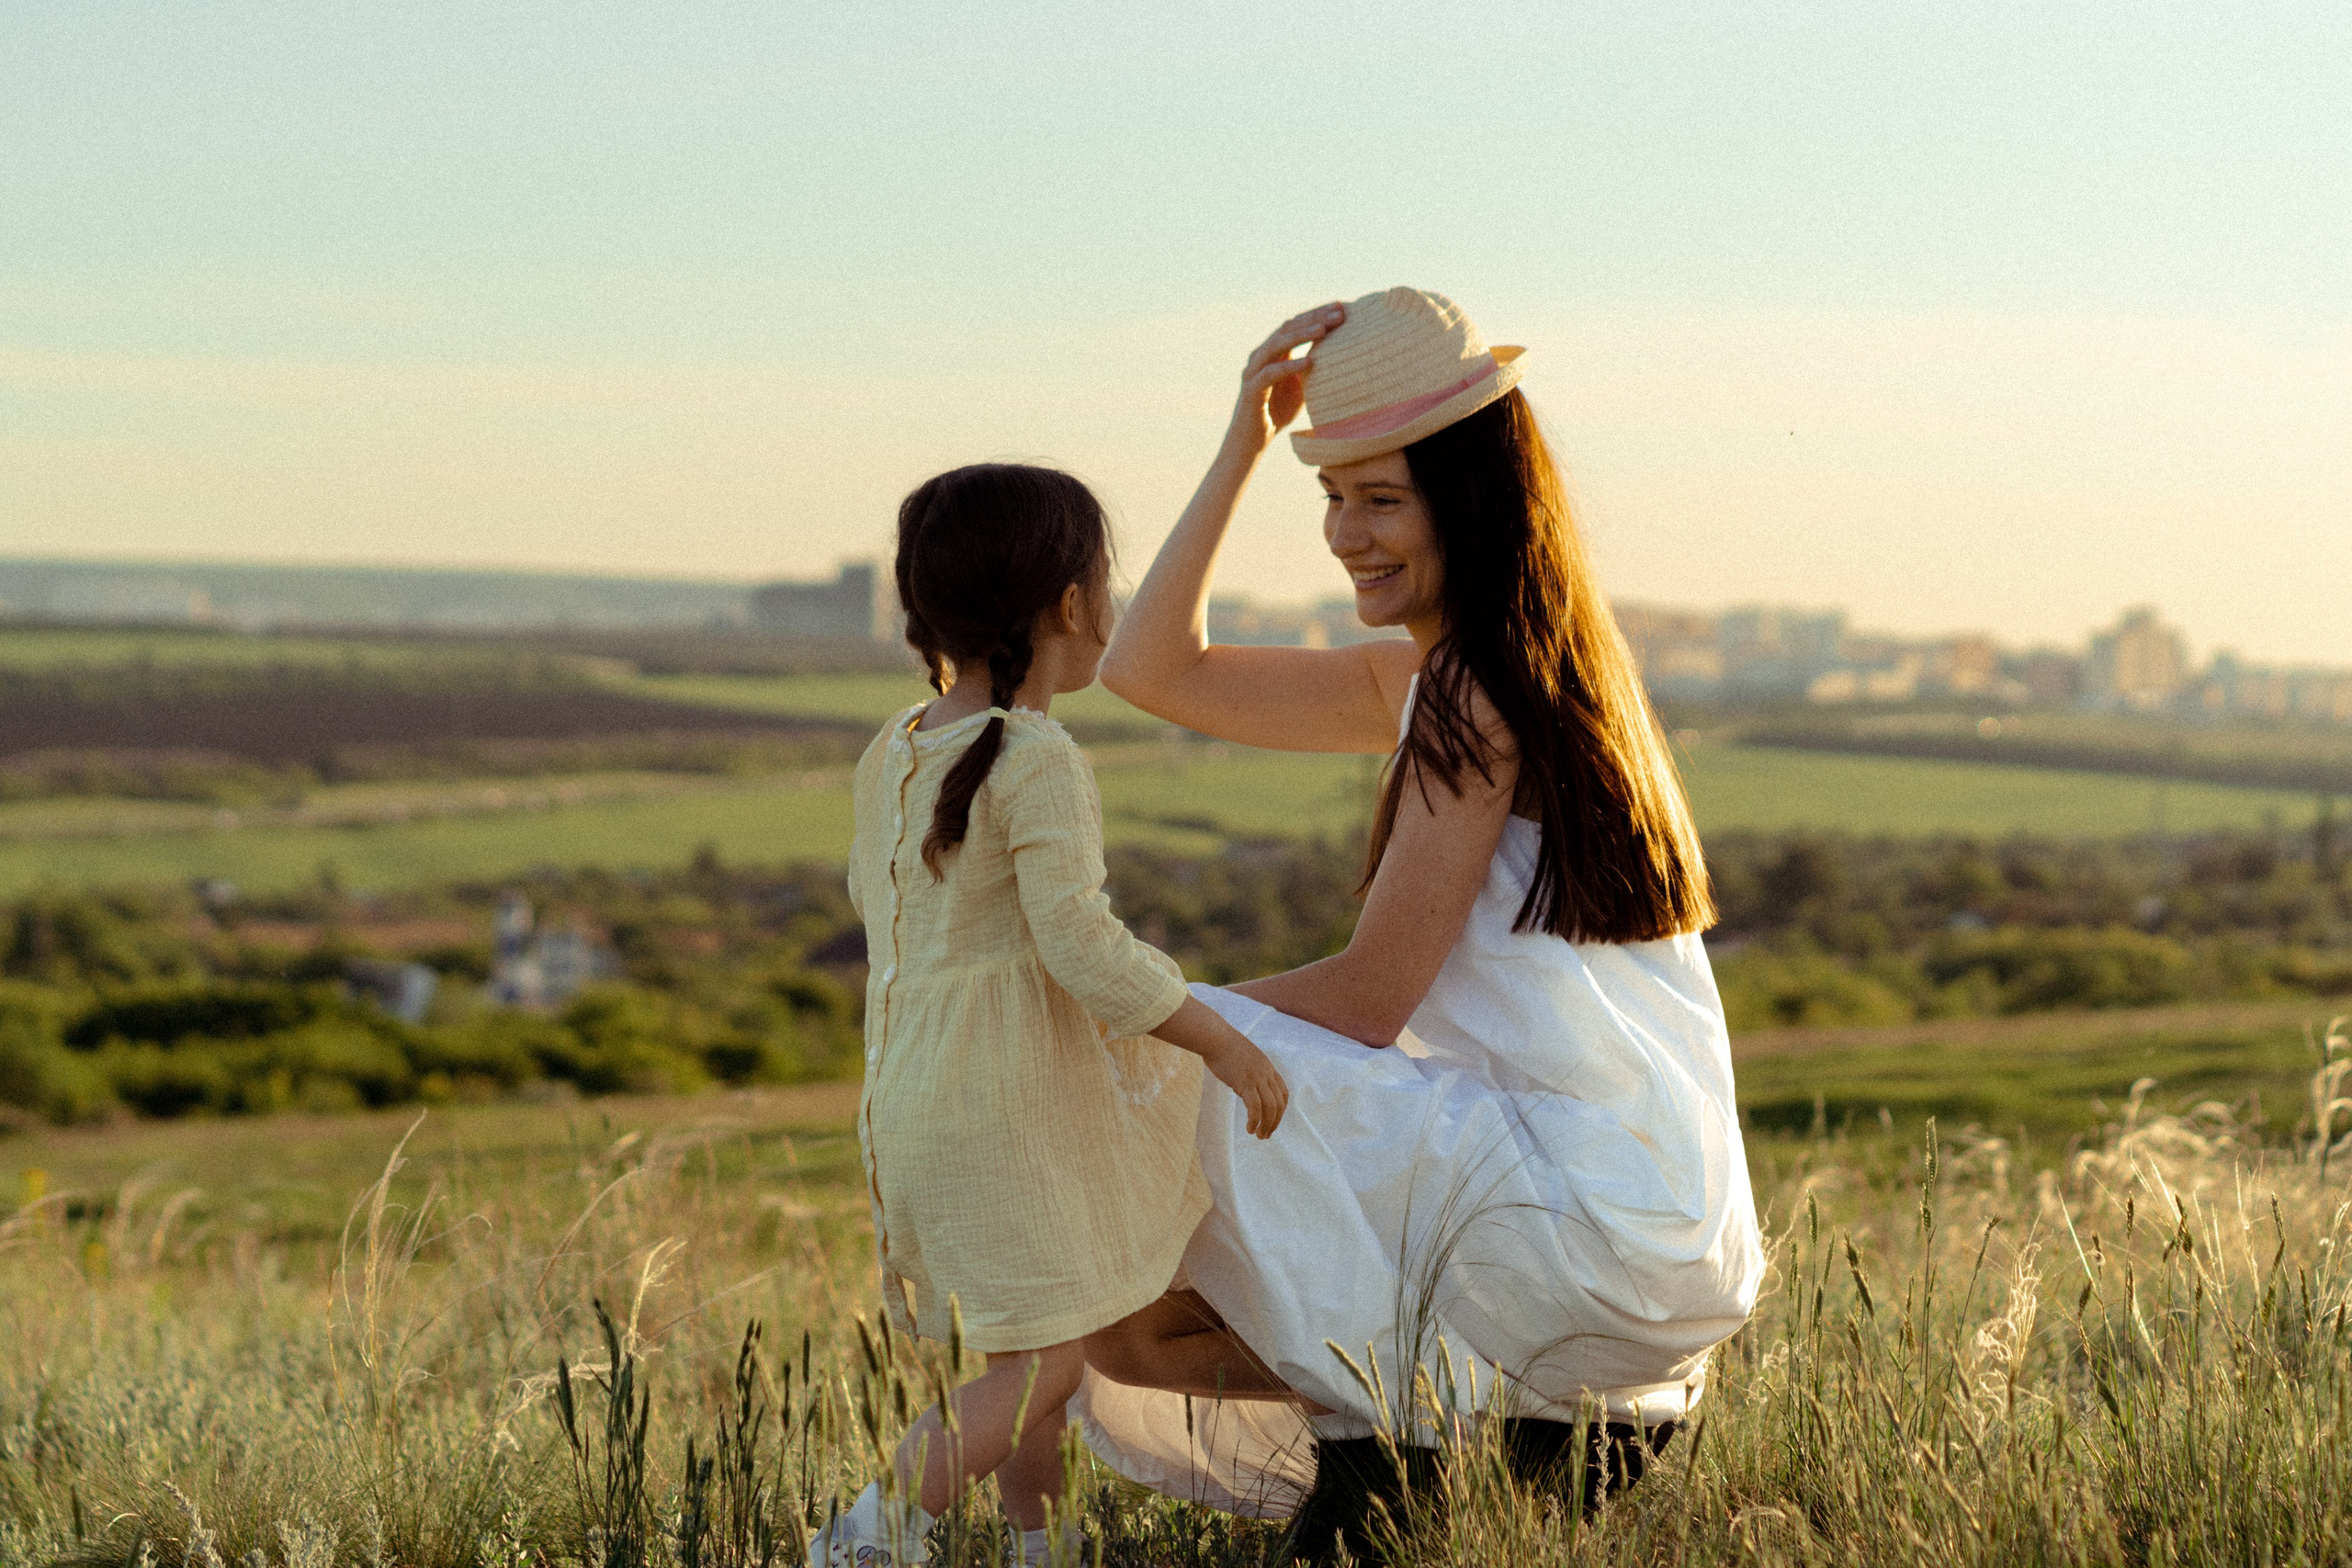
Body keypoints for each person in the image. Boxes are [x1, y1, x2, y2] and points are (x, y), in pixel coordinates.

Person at [1072, 288, 1765, 1558]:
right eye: (1330, 496)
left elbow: (1367, 997)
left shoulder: (1471, 688)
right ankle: (1436, 1432)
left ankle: (1401, 1432)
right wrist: (1242, 441)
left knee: (1172, 1065)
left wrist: (1117, 1012)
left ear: (1473, 498)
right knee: (1125, 1319)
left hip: (1586, 1212)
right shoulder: (1521, 668)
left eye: (1380, 498)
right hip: (1644, 1220)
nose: (1345, 534)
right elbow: (1150, 671)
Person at [810, 463, 1290, 1568]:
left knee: (1023, 1355)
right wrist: (1218, 1037)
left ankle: (1045, 1546)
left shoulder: (894, 748)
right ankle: (869, 1535)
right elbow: (1085, 949)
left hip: (914, 1099)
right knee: (1051, 1365)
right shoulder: (1037, 759)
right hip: (1004, 1108)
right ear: (1074, 606)